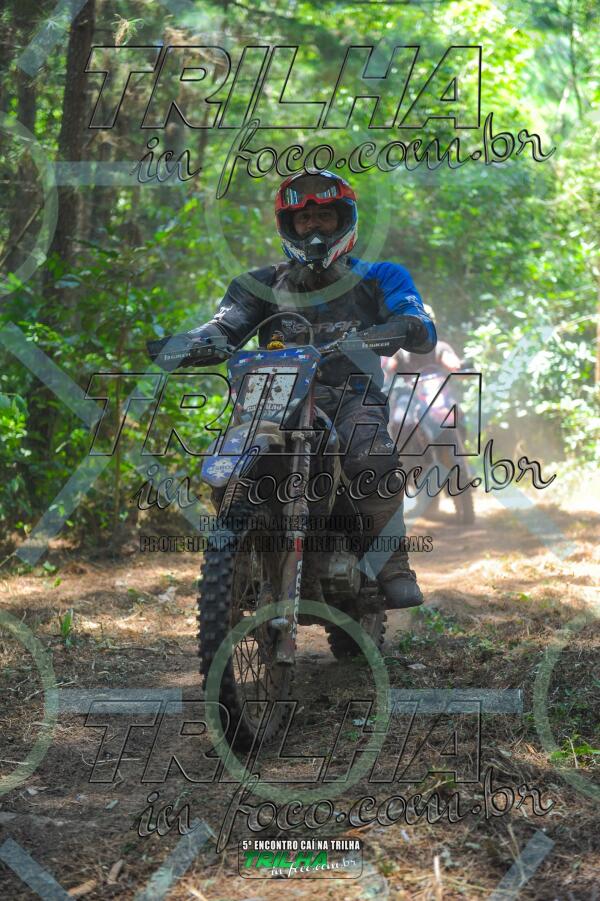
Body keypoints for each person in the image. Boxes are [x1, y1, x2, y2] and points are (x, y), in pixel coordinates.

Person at [181, 170, 437, 609]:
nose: (314, 227)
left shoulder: (380, 277)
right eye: (304, 219)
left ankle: (391, 563)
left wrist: (402, 326)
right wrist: (191, 343)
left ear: (344, 221)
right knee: (230, 464)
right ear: (289, 226)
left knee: (369, 455)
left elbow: (415, 320)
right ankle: (238, 558)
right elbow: (225, 325)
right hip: (274, 400)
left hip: (350, 395)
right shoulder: (258, 285)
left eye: (324, 216)